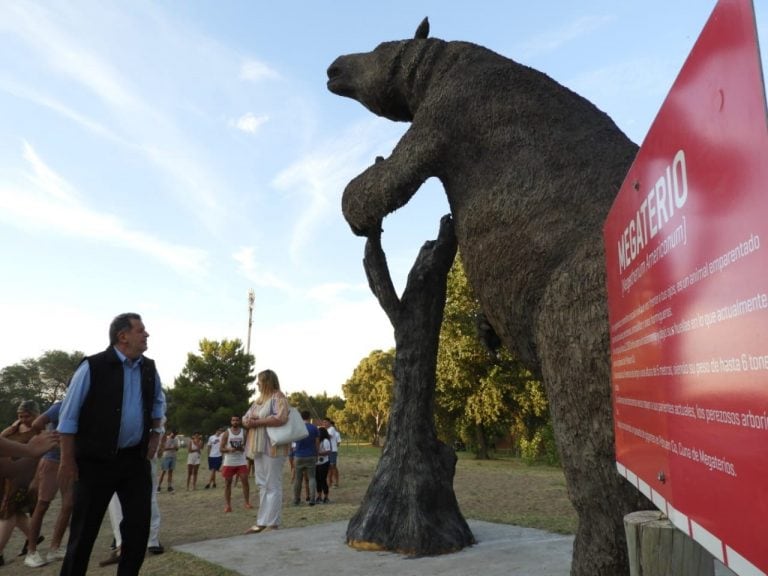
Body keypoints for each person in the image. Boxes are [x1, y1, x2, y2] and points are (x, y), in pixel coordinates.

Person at [57, 312, 166, 576]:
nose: (146, 334)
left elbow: (158, 403)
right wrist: (67, 460)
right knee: (84, 532)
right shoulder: (92, 367)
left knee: (138, 530)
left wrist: (154, 434)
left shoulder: (149, 368)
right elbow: (68, 417)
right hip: (96, 462)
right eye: (141, 330)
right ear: (123, 336)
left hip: (134, 461)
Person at [25, 401, 74, 566]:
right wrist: (47, 440)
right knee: (42, 505)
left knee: (68, 505)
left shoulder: (83, 406)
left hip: (69, 463)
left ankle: (55, 548)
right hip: (52, 461)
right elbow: (37, 423)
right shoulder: (61, 406)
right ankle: (31, 552)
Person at [242, 369, 289, 534]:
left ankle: (273, 523)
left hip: (273, 446)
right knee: (262, 484)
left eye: (259, 381)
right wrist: (248, 421)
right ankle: (261, 521)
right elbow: (246, 417)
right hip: (258, 446)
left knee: (272, 484)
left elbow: (281, 418)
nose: (257, 384)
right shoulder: (259, 400)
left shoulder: (278, 397)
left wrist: (258, 421)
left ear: (267, 382)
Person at [0, 400, 41, 568]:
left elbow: (42, 457)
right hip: (9, 477)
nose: (24, 419)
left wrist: (36, 480)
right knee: (15, 514)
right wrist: (11, 428)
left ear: (36, 415)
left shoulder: (39, 431)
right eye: (21, 416)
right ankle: (34, 537)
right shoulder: (15, 429)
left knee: (8, 513)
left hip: (25, 479)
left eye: (27, 416)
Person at [220, 416, 251, 513]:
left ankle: (247, 502)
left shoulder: (244, 432)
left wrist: (243, 449)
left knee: (245, 481)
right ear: (231, 421)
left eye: (237, 420)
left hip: (241, 461)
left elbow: (248, 446)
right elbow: (221, 449)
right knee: (228, 483)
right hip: (229, 461)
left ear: (240, 421)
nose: (235, 422)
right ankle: (228, 505)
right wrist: (229, 449)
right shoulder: (227, 433)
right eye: (233, 420)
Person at [291, 411, 318, 506]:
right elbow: (317, 442)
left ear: (300, 417)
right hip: (310, 455)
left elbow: (293, 442)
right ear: (309, 417)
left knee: (298, 479)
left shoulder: (297, 428)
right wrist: (316, 454)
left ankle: (296, 499)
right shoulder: (314, 428)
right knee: (311, 478)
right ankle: (312, 499)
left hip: (298, 455)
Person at [315, 427, 332, 504]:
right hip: (316, 463)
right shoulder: (316, 441)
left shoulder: (325, 441)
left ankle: (326, 497)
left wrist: (319, 453)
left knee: (323, 480)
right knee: (317, 480)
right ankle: (319, 496)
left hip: (324, 463)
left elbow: (328, 451)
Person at [327, 419, 341, 488]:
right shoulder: (327, 430)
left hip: (333, 451)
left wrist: (334, 446)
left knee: (333, 466)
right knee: (329, 467)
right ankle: (330, 482)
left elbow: (338, 443)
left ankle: (336, 482)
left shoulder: (335, 432)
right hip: (328, 451)